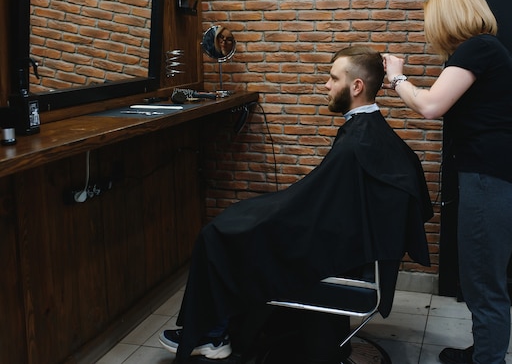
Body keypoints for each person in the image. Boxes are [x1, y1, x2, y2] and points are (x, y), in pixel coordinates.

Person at [159, 45, 433, 363]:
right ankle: (223, 327)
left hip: (339, 252)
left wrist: (261, 215)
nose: (326, 86)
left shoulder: (357, 144)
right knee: (242, 223)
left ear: (356, 87)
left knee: (216, 235)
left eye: (333, 78)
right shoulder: (372, 135)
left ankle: (212, 335)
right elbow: (322, 201)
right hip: (350, 244)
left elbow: (312, 205)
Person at [382, 0, 512, 364]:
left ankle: (488, 360)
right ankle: (483, 351)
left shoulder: (478, 49)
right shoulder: (486, 52)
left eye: (430, 21)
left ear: (447, 17)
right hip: (498, 176)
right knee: (480, 276)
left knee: (483, 282)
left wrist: (397, 76)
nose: (428, 29)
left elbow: (431, 106)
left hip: (494, 179)